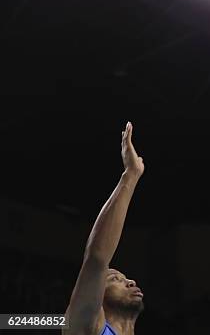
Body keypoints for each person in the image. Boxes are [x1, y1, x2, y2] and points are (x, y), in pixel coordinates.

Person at [63, 122, 145, 335]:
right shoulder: (85, 325)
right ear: (96, 296)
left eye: (124, 278)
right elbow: (97, 258)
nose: (130, 282)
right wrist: (130, 175)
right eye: (115, 279)